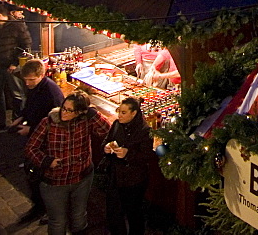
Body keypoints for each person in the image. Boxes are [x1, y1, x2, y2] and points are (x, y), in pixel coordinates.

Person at [25, 91, 110, 235]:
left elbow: (106, 129)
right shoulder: (49, 122)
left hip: (82, 178)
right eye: (64, 108)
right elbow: (31, 148)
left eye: (70, 110)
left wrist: (92, 113)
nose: (64, 113)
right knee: (58, 221)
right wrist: (46, 161)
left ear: (79, 112)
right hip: (55, 181)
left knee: (79, 217)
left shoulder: (85, 121)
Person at [11, 59, 64, 224]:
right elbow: (30, 107)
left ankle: (50, 210)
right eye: (25, 80)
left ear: (42, 75)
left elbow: (55, 124)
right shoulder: (34, 87)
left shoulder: (51, 93)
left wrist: (30, 129)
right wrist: (22, 117)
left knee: (47, 180)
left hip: (47, 143)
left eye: (31, 80)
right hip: (36, 139)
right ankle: (39, 207)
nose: (27, 83)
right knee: (33, 175)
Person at [102, 97, 155, 235]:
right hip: (116, 177)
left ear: (134, 113)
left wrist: (128, 153)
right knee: (114, 213)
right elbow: (106, 141)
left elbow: (146, 156)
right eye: (119, 111)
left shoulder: (145, 130)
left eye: (124, 113)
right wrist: (107, 148)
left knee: (134, 214)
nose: (119, 115)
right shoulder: (116, 125)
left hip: (134, 181)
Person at [0, 5, 31, 131]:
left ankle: (17, 121)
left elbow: (26, 46)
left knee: (17, 94)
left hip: (11, 66)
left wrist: (15, 63)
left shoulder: (17, 26)